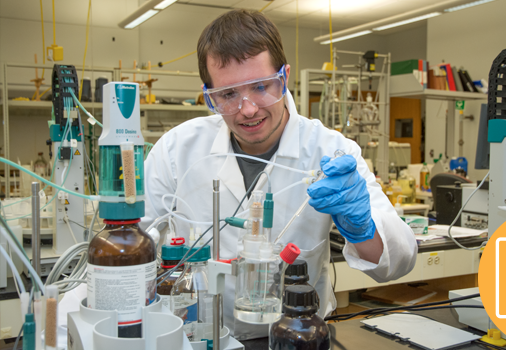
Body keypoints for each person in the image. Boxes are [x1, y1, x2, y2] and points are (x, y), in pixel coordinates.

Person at [58, 9, 417, 344]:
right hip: (197, 338)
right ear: (208, 96)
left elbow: (398, 263)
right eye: (228, 94)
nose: (247, 109)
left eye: (261, 86)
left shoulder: (331, 151)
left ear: (284, 78)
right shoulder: (177, 151)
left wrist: (362, 227)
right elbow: (125, 251)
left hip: (296, 339)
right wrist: (61, 327)